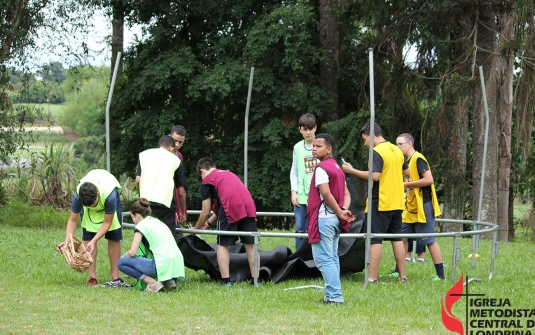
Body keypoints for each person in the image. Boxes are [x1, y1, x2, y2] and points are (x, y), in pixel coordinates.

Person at [342, 123, 408, 283]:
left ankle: (372, 277)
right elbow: (407, 172)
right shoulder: (396, 150)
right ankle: (403, 276)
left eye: (365, 139)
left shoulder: (377, 151)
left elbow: (375, 176)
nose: (365, 144)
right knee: (397, 238)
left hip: (381, 201)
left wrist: (352, 171)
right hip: (397, 201)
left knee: (374, 239)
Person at [193, 158, 259, 286]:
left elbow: (206, 211)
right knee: (250, 244)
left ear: (202, 171)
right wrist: (209, 223)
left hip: (230, 206)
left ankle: (226, 281)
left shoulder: (207, 181)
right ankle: (255, 280)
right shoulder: (228, 174)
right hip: (249, 206)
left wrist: (195, 228)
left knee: (222, 244)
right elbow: (228, 202)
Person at [57, 169, 129, 287]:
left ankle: (115, 277)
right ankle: (92, 277)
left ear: (98, 195)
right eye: (88, 205)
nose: (91, 206)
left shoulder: (110, 195)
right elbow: (72, 220)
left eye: (93, 203)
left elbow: (107, 223)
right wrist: (67, 242)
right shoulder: (79, 196)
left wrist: (95, 240)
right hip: (90, 212)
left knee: (114, 238)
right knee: (88, 241)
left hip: (108, 197)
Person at [307, 133, 354, 304]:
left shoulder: (321, 168)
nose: (314, 149)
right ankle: (329, 295)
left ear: (329, 149)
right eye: (313, 146)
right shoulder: (337, 167)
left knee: (324, 259)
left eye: (318, 146)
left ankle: (335, 296)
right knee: (332, 257)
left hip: (324, 219)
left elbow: (325, 193)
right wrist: (342, 210)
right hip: (335, 219)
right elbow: (347, 194)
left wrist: (340, 211)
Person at [395, 132, 445, 280]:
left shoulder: (418, 158)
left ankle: (440, 275)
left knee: (429, 240)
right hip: (409, 207)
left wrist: (406, 184)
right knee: (401, 237)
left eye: (400, 144)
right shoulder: (406, 161)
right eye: (396, 144)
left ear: (409, 144)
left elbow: (429, 180)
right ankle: (398, 271)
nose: (398, 148)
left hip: (423, 205)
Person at [118, 198, 185, 292]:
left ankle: (152, 283)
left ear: (136, 214)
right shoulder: (157, 221)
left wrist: (124, 256)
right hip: (176, 265)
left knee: (121, 263)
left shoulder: (141, 226)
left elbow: (132, 253)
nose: (132, 219)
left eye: (132, 217)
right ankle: (168, 280)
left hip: (162, 264)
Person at [135, 135, 183, 236]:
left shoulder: (144, 155)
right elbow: (181, 191)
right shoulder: (175, 160)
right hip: (165, 203)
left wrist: (140, 198)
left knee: (145, 235)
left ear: (159, 145)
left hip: (145, 202)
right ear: (171, 148)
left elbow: (138, 180)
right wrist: (182, 212)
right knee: (167, 236)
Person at [290, 113, 319, 249]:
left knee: (315, 230)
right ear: (300, 130)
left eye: (310, 128)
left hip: (318, 196)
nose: (308, 132)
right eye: (305, 129)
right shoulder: (297, 148)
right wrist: (293, 192)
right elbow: (294, 172)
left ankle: (314, 260)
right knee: (300, 230)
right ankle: (299, 261)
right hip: (301, 197)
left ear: (315, 128)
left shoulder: (322, 145)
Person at [169, 125, 188, 225]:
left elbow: (179, 188)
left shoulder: (179, 156)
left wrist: (181, 211)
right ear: (169, 137)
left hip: (175, 200)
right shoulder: (158, 155)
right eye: (174, 140)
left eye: (180, 142)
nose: (176, 145)